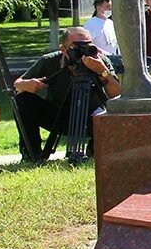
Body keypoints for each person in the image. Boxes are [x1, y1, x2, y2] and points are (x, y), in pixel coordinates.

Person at [12, 27, 120, 160]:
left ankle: (95, 151)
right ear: (64, 50)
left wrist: (102, 71)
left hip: (92, 119)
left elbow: (117, 95)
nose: (84, 51)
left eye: (88, 45)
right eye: (78, 47)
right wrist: (27, 84)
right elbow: (17, 83)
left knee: (112, 112)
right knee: (22, 100)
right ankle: (31, 153)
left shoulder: (101, 61)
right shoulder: (50, 61)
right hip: (59, 117)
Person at [82, 0, 121, 68]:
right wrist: (102, 54)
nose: (110, 9)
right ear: (99, 8)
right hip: (99, 61)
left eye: (111, 6)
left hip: (114, 60)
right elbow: (88, 44)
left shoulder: (111, 23)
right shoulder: (90, 24)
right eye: (108, 7)